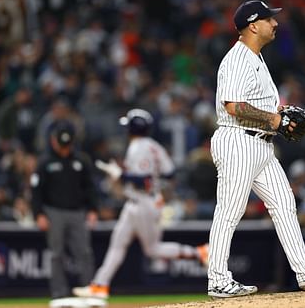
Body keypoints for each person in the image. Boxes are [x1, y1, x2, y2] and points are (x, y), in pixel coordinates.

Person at [206, 0, 305, 298]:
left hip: (260, 144)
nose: (276, 23)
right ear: (253, 25)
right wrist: (273, 118)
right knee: (229, 212)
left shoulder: (256, 58)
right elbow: (233, 106)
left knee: (284, 204)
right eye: (269, 19)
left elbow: (253, 104)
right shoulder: (238, 59)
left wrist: (277, 117)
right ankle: (217, 278)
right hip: (238, 140)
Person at [72, 108, 208, 301]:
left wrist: (121, 175)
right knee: (117, 244)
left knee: (152, 250)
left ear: (134, 128)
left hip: (143, 202)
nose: (125, 129)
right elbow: (169, 173)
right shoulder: (154, 146)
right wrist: (150, 180)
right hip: (138, 202)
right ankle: (99, 285)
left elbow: (143, 182)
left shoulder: (138, 148)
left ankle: (199, 252)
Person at [30, 120, 98, 299]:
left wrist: (92, 209)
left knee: (84, 252)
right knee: (56, 254)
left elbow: (90, 187)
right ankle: (59, 293)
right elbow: (36, 191)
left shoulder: (81, 161)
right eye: (62, 145)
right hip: (54, 212)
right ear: (53, 141)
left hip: (78, 212)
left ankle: (89, 292)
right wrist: (38, 214)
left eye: (67, 145)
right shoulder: (45, 162)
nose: (64, 149)